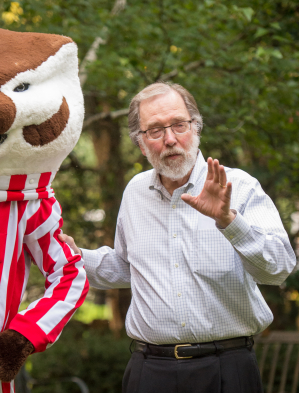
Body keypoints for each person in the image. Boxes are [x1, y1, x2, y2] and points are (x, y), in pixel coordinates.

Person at [60, 82, 296, 393]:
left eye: (179, 125)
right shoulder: (135, 192)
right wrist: (73, 254)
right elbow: (129, 269)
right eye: (155, 130)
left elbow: (278, 268)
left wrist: (228, 221)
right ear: (141, 143)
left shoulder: (239, 186)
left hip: (227, 369)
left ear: (196, 128)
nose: (170, 139)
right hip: (149, 371)